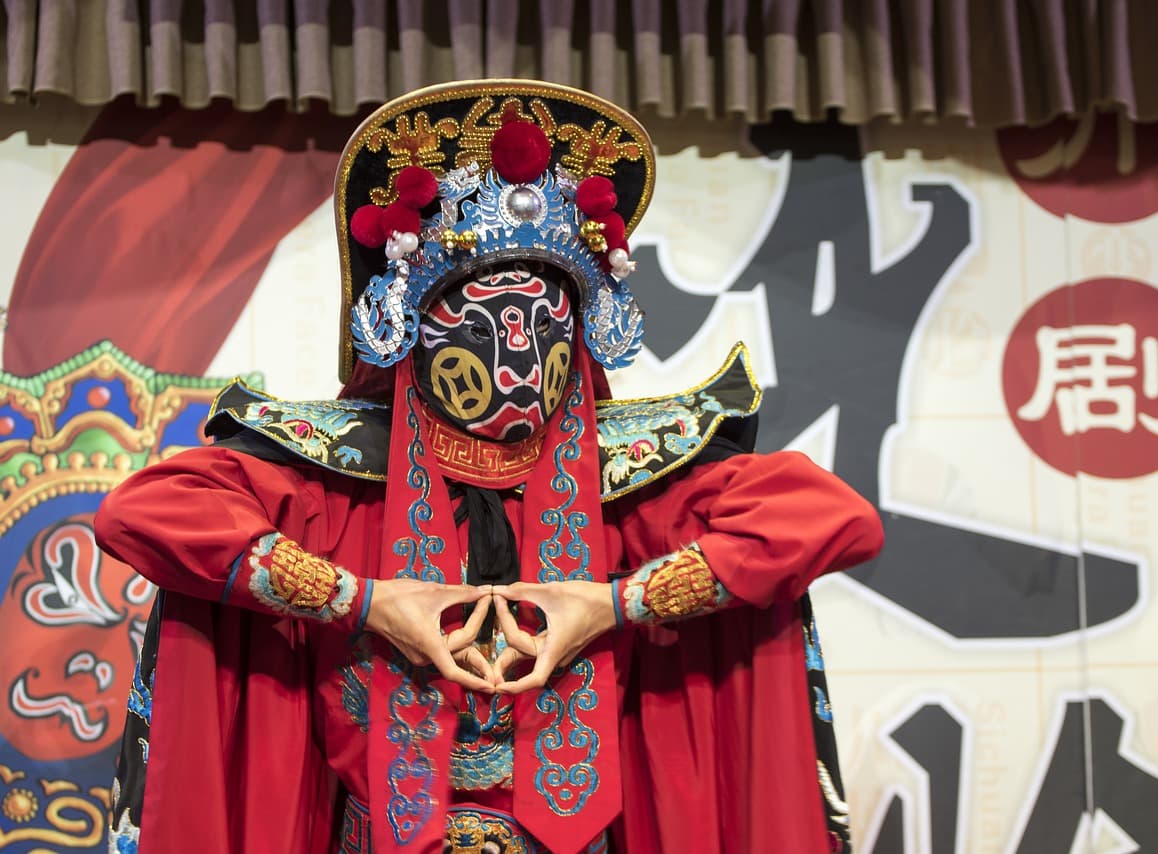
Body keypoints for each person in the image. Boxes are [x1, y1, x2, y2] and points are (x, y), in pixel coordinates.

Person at [94, 79, 884, 854]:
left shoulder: (634, 478)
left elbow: (830, 519)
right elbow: (146, 512)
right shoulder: (334, 476)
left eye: (544, 326)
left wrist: (614, 604)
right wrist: (362, 600)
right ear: (414, 334)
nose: (517, 360)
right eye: (482, 326)